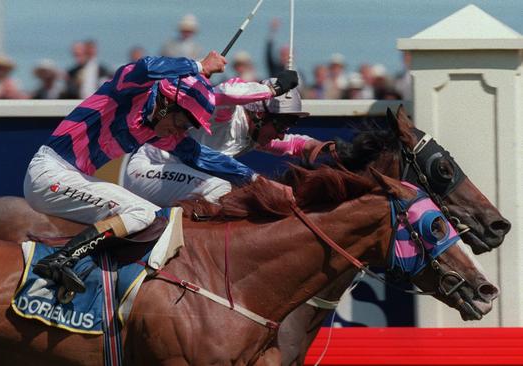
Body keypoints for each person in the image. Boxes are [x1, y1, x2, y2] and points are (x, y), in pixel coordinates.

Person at [24, 52, 297, 292]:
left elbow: (202, 157)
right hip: (50, 172)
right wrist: (197, 66)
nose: (180, 132)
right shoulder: (127, 90)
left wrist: (256, 181)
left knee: (149, 217)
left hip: (69, 176)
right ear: (167, 104)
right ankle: (60, 261)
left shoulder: (154, 130)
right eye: (181, 123)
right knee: (143, 213)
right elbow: (147, 66)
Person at [124, 71, 317, 207]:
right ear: (259, 115)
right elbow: (225, 92)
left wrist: (324, 147)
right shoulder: (224, 115)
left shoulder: (255, 135)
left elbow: (294, 144)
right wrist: (273, 90)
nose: (282, 133)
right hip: (147, 170)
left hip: (172, 181)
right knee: (222, 189)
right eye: (281, 125)